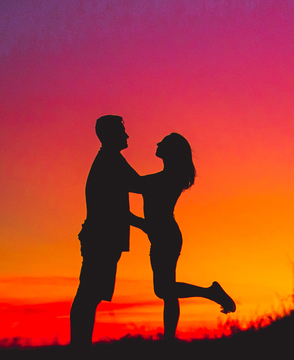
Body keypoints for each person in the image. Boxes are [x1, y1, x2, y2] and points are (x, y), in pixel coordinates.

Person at [130, 133, 235, 340]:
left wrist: (130, 219)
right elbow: (137, 188)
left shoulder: (166, 178)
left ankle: (211, 293)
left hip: (165, 236)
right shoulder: (166, 177)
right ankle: (169, 338)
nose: (157, 143)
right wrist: (136, 222)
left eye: (163, 143)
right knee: (167, 291)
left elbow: (133, 185)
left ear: (171, 151)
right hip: (164, 234)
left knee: (164, 289)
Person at [70, 114, 141, 346]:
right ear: (111, 135)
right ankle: (79, 347)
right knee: (89, 296)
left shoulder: (112, 160)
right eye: (122, 131)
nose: (127, 135)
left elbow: (136, 185)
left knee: (90, 296)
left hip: (103, 238)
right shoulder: (110, 161)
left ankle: (80, 345)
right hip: (101, 239)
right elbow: (138, 187)